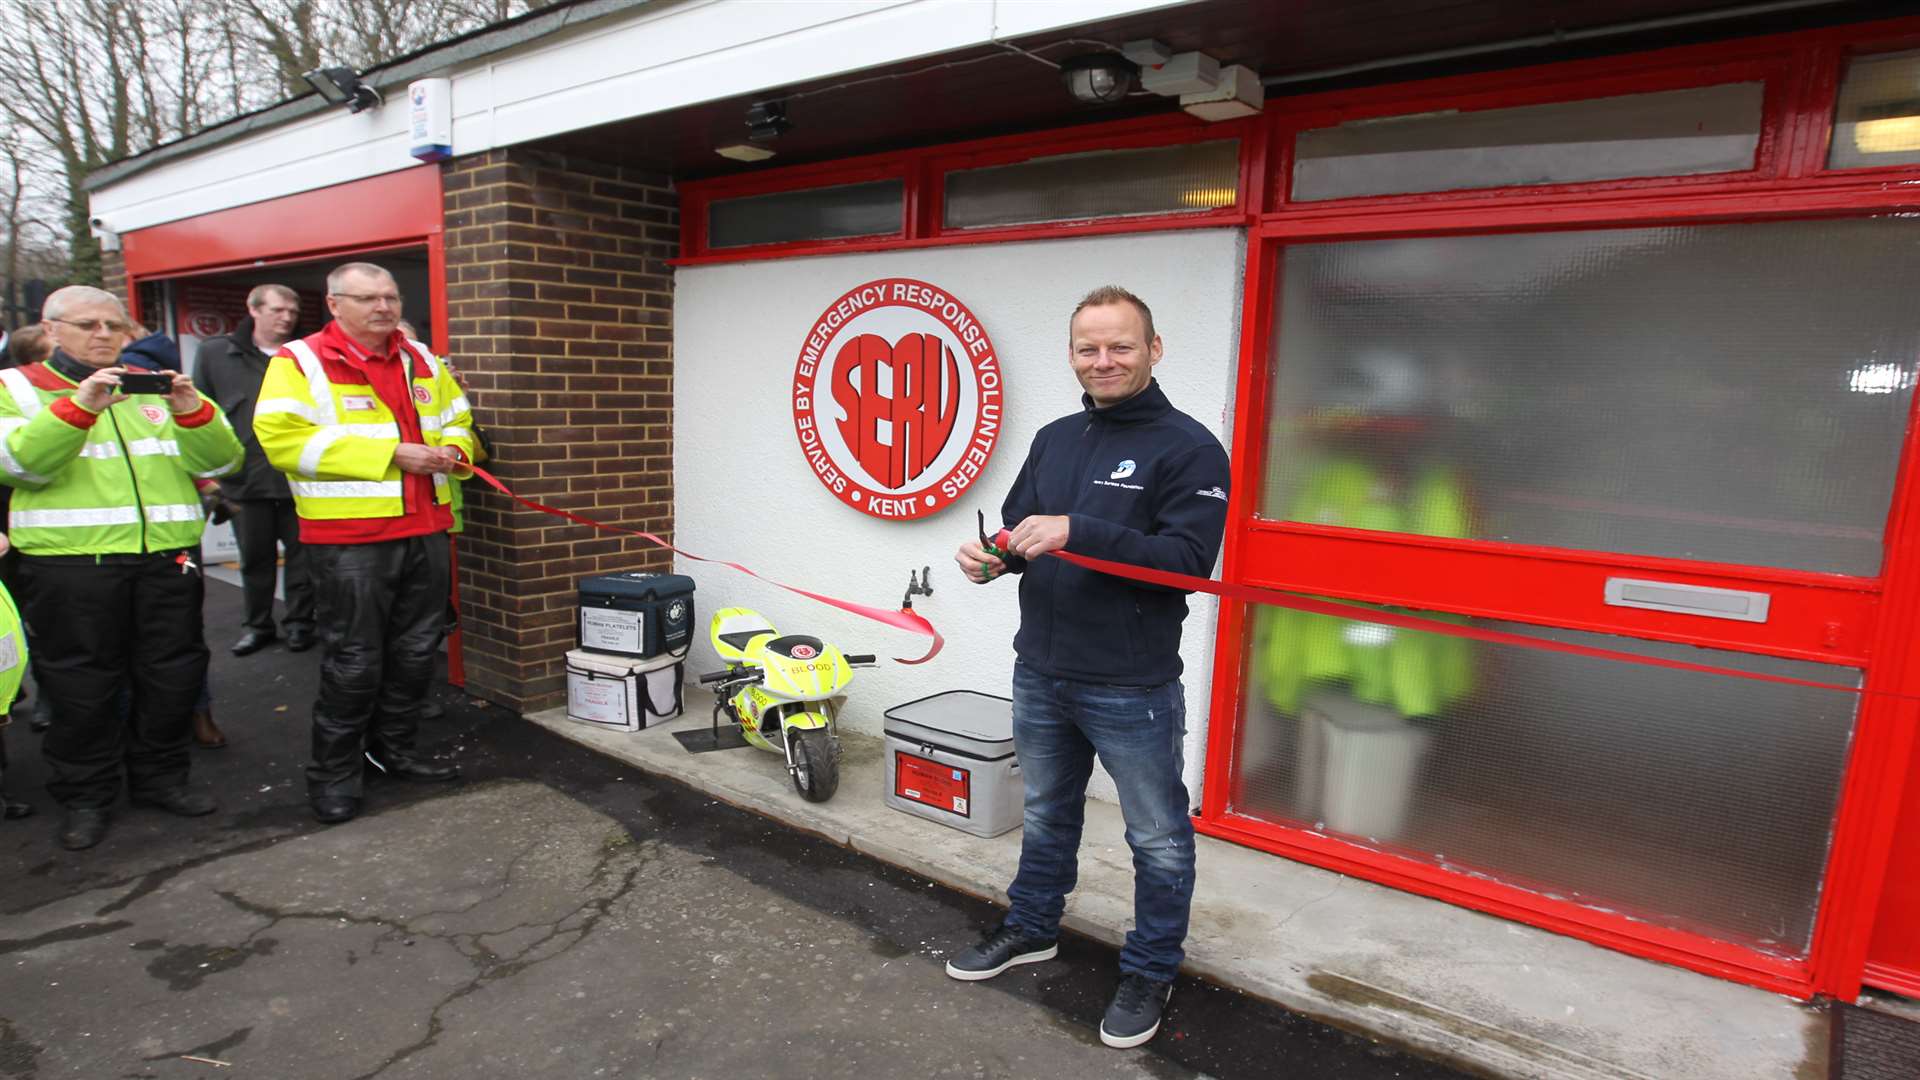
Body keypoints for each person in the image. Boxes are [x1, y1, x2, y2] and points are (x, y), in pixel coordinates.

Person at [944, 285, 1230, 1049]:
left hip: (1130, 684)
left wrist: (1081, 529)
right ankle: (1033, 927)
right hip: (1041, 668)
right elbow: (1017, 535)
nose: (1102, 360)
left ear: (1153, 349)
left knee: (1158, 838)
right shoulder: (1055, 438)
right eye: (1088, 348)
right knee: (1045, 813)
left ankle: (1151, 966)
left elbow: (1188, 565)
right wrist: (989, 560)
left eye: (1120, 346)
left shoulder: (1191, 448)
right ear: (1072, 354)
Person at [0, 286, 243, 850]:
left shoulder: (149, 386)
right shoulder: (19, 387)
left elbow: (223, 459)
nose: (104, 335)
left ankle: (162, 779)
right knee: (81, 686)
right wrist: (81, 404)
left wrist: (191, 411)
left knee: (171, 674)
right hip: (71, 564)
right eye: (88, 325)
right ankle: (86, 796)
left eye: (115, 325)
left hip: (166, 559)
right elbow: (19, 464)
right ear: (52, 329)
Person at [253, 262, 475, 825]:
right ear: (334, 304)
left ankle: (395, 753)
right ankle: (334, 775)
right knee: (353, 663)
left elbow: (458, 418)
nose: (384, 307)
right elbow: (282, 441)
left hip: (424, 529)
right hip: (348, 540)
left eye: (391, 296)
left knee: (414, 655)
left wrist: (454, 448)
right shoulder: (298, 361)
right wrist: (391, 456)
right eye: (368, 298)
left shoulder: (421, 358)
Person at [194, 285, 316, 659]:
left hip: (298, 477)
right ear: (254, 309)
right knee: (255, 560)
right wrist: (209, 477)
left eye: (292, 312)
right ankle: (257, 625)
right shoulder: (216, 353)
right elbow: (202, 411)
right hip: (244, 480)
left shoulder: (305, 355)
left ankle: (300, 625)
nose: (287, 318)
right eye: (279, 310)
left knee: (303, 560)